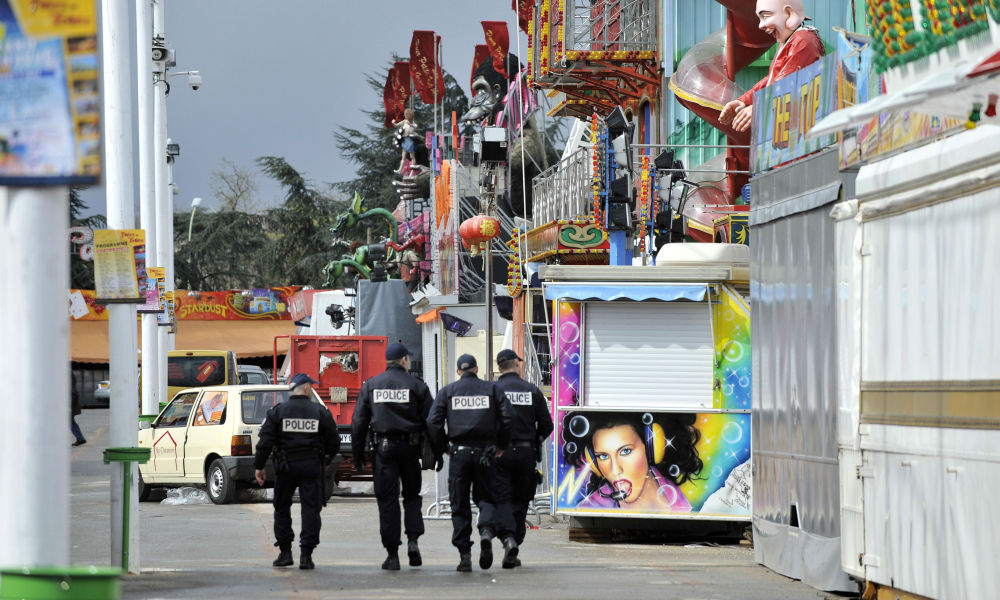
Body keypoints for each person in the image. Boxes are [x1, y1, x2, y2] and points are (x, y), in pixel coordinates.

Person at [426, 354, 514, 572]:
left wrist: (444, 447)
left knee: (459, 504)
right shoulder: (492, 389)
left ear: (458, 371)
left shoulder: (447, 392)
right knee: (487, 498)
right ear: (476, 368)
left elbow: (432, 422)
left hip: (459, 454)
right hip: (486, 453)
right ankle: (485, 532)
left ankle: (464, 556)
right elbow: (508, 417)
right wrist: (500, 444)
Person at [352, 342, 435, 571]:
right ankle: (413, 541)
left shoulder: (372, 385)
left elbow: (359, 422)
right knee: (411, 497)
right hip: (410, 449)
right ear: (405, 360)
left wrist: (358, 454)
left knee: (388, 501)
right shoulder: (417, 386)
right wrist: (435, 451)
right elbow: (432, 422)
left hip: (384, 450)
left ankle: (392, 555)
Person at [254, 373, 340, 570]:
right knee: (311, 509)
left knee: (282, 507)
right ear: (307, 388)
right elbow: (334, 441)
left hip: (285, 467)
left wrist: (259, 466)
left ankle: (285, 553)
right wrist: (325, 461)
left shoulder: (277, 412)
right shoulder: (319, 411)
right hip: (311, 465)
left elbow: (265, 442)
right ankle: (306, 556)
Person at [561, 412, 702, 512]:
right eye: (603, 456)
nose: (615, 470)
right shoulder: (591, 508)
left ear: (652, 447)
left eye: (625, 451)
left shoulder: (680, 501)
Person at [718, 0, 825, 133]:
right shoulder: (790, 41)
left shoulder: (803, 41)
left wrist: (759, 106)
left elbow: (787, 84)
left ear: (788, 13)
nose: (761, 25)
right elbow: (773, 79)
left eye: (766, 16)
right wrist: (745, 100)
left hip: (799, 133)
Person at [493, 349, 553, 568]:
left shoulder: (493, 390)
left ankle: (508, 539)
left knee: (502, 499)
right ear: (516, 365)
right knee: (520, 500)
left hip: (500, 453)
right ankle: (515, 542)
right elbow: (547, 425)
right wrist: (534, 440)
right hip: (526, 454)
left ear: (499, 367)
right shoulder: (532, 391)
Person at [393, 108, 418, 173]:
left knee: (412, 157)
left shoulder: (413, 123)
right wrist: (393, 123)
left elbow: (415, 126)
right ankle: (400, 170)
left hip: (410, 140)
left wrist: (411, 125)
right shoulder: (404, 121)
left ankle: (412, 172)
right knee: (403, 157)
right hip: (405, 140)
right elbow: (396, 125)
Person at [70, 373, 86, 446]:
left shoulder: (70, 385)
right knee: (70, 422)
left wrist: (69, 406)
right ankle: (80, 438)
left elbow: (74, 394)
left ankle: (80, 438)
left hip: (69, 406)